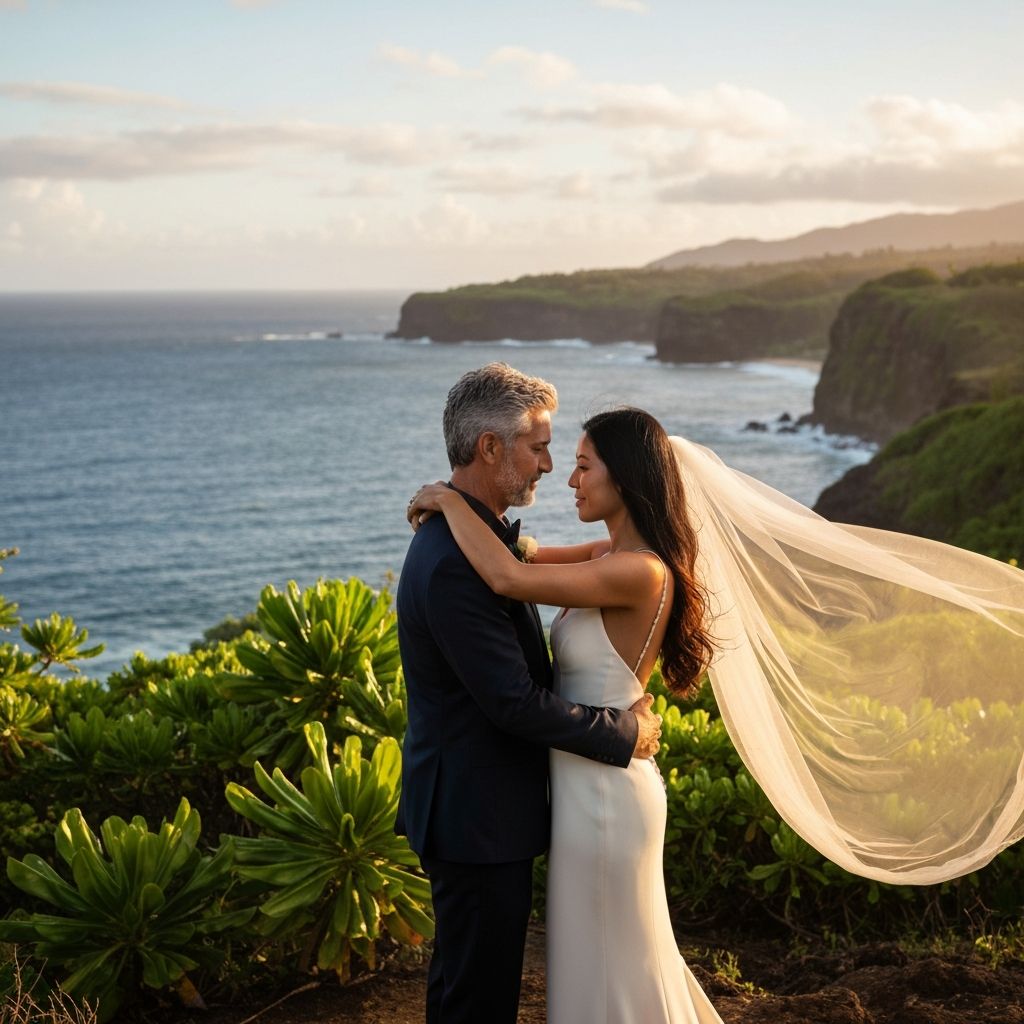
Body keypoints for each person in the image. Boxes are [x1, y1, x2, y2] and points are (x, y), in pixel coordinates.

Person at [407, 405, 724, 1024]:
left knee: (613, 960)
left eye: (583, 466)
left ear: (624, 478)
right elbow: (520, 554)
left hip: (607, 790)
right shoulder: (607, 553)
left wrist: (447, 501)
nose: (568, 478)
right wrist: (464, 512)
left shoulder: (638, 571)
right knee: (594, 959)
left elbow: (505, 577)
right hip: (581, 786)